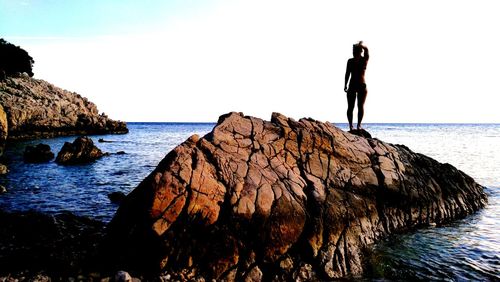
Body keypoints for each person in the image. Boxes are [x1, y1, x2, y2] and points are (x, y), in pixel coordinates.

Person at [344, 41, 369, 131]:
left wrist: (361, 46)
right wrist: (345, 84)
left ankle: (358, 125)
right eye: (353, 50)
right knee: (350, 107)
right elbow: (347, 73)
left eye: (354, 50)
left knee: (360, 106)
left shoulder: (364, 60)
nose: (353, 52)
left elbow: (366, 50)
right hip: (352, 85)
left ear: (359, 51)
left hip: (362, 85)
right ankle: (351, 125)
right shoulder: (350, 61)